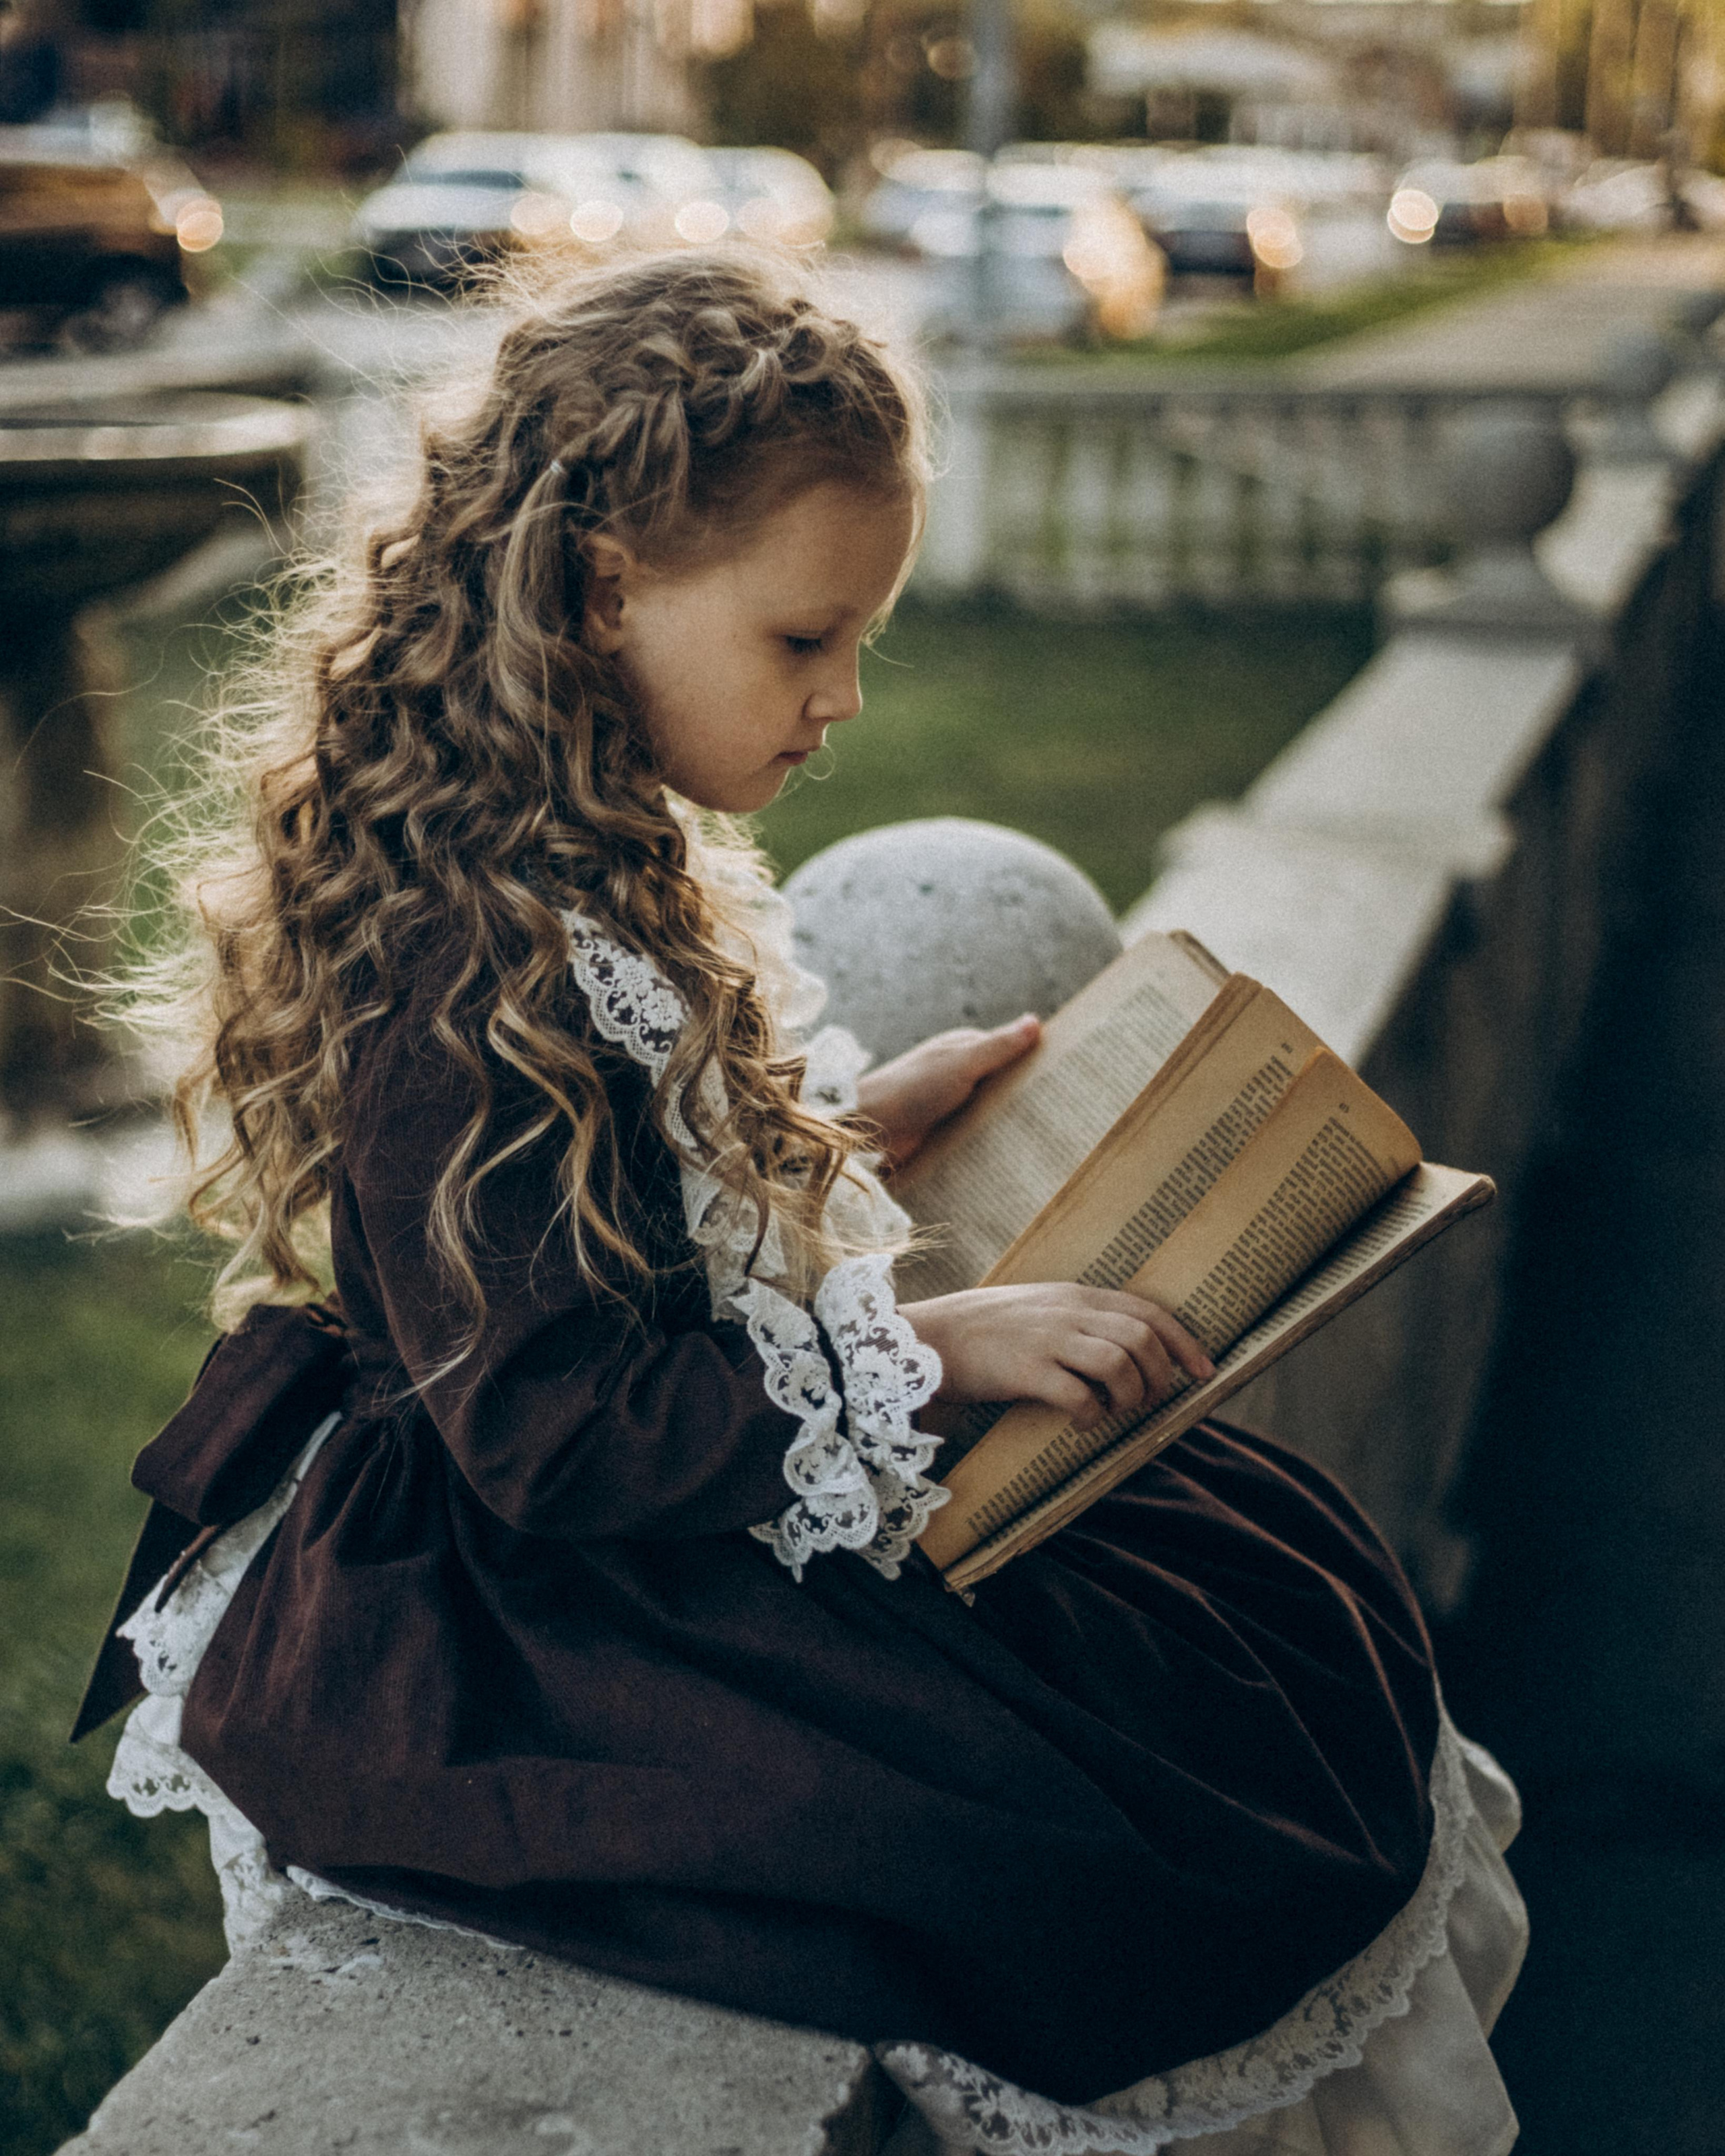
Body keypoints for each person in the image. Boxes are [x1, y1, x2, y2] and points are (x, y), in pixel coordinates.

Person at [81, 249, 1526, 2155]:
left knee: (1259, 1602)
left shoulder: (596, 843)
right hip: (547, 1569)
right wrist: (924, 1346)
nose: (843, 698)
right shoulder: (461, 952)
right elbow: (544, 1414)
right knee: (1079, 1812)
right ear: (605, 591)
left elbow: (634, 1199)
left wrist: (842, 1135)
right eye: (801, 641)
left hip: (659, 1452)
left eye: (863, 645)